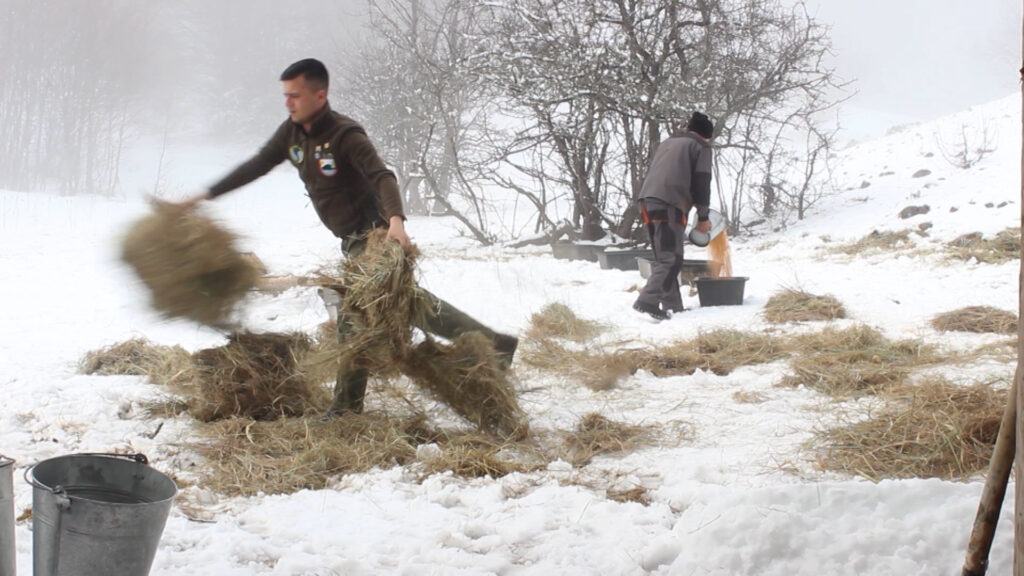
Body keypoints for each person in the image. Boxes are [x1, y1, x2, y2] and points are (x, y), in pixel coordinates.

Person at [177, 58, 518, 417]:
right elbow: (257, 165)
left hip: (373, 237)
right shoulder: (292, 134)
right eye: (285, 96)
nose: (288, 102)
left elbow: (383, 177)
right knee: (404, 302)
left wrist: (396, 223)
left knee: (354, 316)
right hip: (351, 240)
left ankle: (346, 407)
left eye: (295, 95)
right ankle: (494, 346)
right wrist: (205, 195)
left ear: (319, 95)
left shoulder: (345, 134)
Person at [632, 111, 715, 321]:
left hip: (647, 201)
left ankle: (673, 306)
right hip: (669, 203)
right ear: (706, 135)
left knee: (664, 257)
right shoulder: (701, 146)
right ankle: (647, 301)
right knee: (672, 258)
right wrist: (703, 217)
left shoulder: (669, 142)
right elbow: (702, 183)